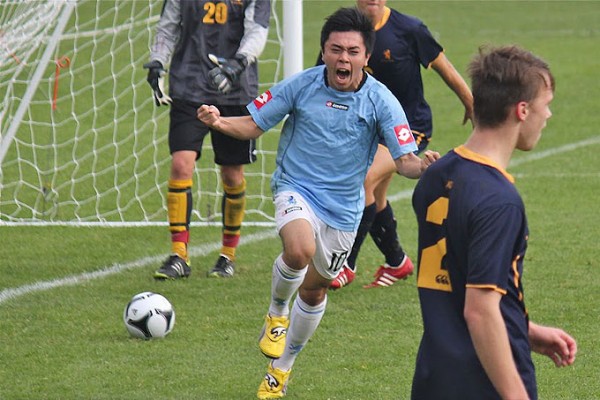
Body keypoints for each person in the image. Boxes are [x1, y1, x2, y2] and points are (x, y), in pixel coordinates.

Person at [198, 7, 439, 398]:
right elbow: (254, 123)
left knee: (314, 291)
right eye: (335, 49)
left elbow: (405, 161)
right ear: (323, 51)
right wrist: (219, 122)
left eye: (352, 51)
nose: (343, 58)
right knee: (299, 249)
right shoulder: (300, 86)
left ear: (365, 57)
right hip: (297, 188)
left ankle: (282, 368)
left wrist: (424, 167)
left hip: (344, 210)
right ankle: (277, 312)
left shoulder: (382, 101)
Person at [411, 45, 577, 399]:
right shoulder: (498, 200)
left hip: (434, 377)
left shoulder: (436, 175)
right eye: (545, 105)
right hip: (483, 382)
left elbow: (456, 281)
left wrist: (526, 330)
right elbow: (480, 311)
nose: (547, 115)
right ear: (522, 110)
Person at [330, 0, 473, 290]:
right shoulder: (343, 36)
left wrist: (472, 104)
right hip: (367, 131)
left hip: (409, 127)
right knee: (376, 196)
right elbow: (321, 79)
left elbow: (445, 69)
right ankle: (397, 262)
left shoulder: (408, 29)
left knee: (365, 180)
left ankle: (345, 264)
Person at [144, 0, 270, 279]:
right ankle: (179, 255)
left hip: (235, 90)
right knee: (180, 164)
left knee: (232, 175)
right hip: (189, 87)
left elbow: (257, 31)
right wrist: (157, 62)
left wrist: (237, 64)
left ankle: (228, 255)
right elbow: (167, 27)